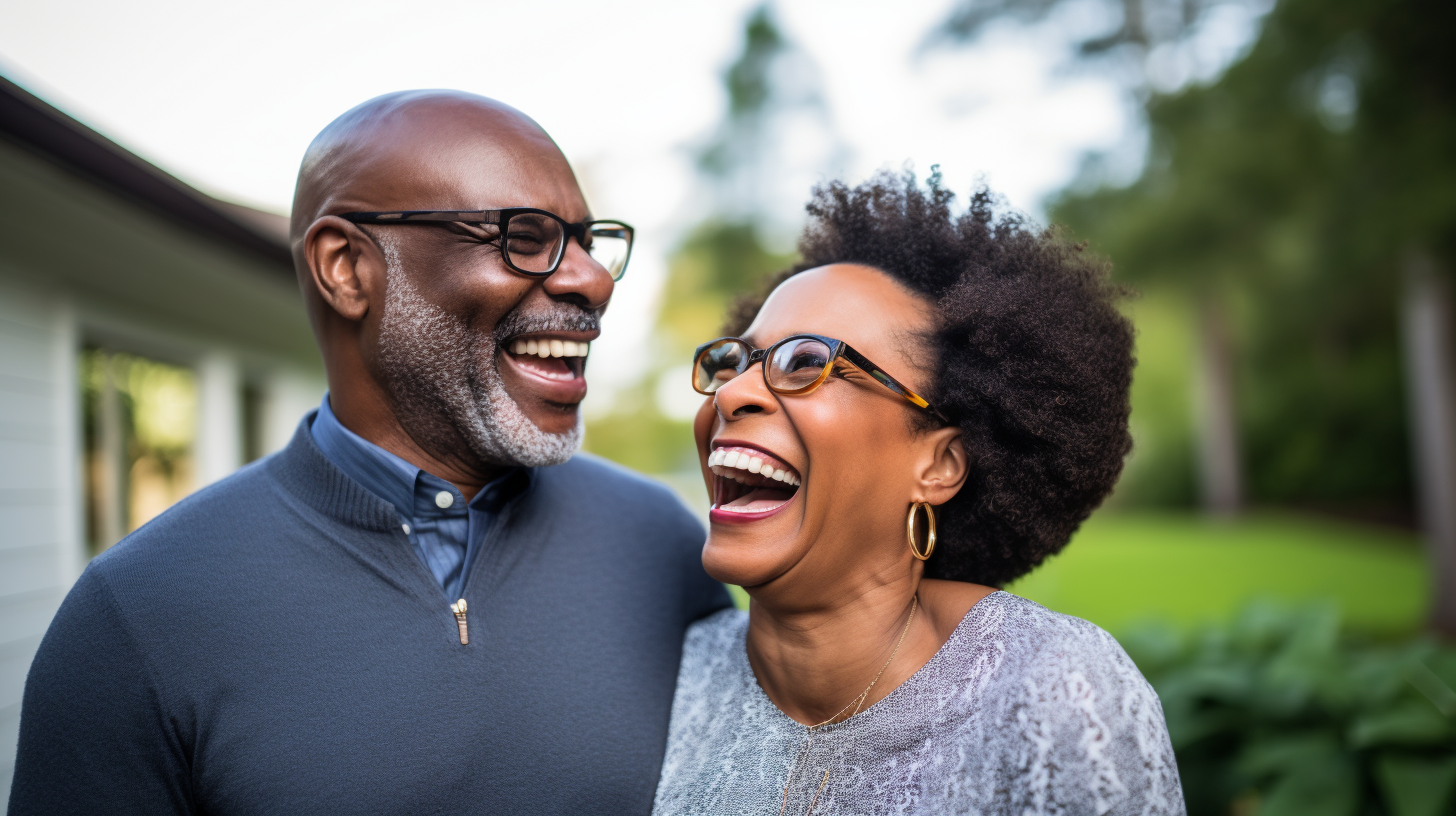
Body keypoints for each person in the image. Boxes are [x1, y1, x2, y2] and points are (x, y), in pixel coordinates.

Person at [9, 91, 730, 815]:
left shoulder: (661, 546)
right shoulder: (136, 617)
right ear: (348, 268)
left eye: (586, 239)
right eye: (526, 235)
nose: (593, 280)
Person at [653, 172, 1185, 815]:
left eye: (804, 362)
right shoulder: (675, 671)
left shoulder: (1050, 687)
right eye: (735, 361)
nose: (732, 392)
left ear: (938, 464)